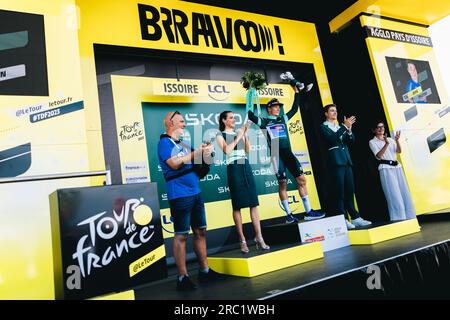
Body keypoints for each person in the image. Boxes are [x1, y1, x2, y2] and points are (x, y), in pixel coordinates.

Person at [157, 111, 221, 291]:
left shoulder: (184, 143)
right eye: (181, 121)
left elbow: (205, 160)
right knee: (182, 235)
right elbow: (174, 163)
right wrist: (196, 153)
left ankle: (205, 271)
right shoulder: (164, 142)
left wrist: (207, 151)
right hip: (179, 194)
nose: (185, 124)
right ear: (170, 123)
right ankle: (182, 277)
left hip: (196, 192)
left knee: (201, 231)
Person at [248, 84, 325, 223]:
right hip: (276, 156)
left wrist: (297, 92)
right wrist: (250, 95)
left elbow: (295, 108)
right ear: (269, 109)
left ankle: (308, 211)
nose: (278, 108)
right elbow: (250, 115)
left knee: (302, 180)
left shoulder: (283, 118)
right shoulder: (264, 122)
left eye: (279, 106)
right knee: (282, 184)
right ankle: (289, 215)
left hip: (288, 154)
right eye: (275, 106)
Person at [216, 111, 270, 253]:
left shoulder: (238, 132)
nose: (234, 120)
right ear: (224, 120)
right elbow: (227, 150)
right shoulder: (219, 135)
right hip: (233, 168)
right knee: (237, 206)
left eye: (234, 118)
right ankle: (243, 240)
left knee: (253, 203)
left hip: (245, 166)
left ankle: (259, 237)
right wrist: (238, 136)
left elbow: (248, 150)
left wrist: (245, 134)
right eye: (231, 118)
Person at [319, 104, 372, 229]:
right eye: (332, 111)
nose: (335, 113)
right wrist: (344, 126)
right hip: (336, 162)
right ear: (326, 113)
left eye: (336, 111)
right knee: (339, 192)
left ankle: (355, 217)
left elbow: (351, 140)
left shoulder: (339, 126)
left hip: (346, 160)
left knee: (350, 190)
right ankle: (343, 219)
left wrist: (349, 130)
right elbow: (332, 139)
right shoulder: (323, 126)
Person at [369, 121, 416, 221]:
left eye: (382, 127)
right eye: (378, 127)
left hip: (397, 167)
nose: (381, 129)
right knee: (394, 194)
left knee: (404, 192)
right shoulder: (372, 142)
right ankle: (399, 219)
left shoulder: (390, 139)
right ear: (374, 130)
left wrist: (397, 140)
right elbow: (378, 156)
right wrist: (386, 144)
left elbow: (399, 151)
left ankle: (410, 218)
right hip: (386, 168)